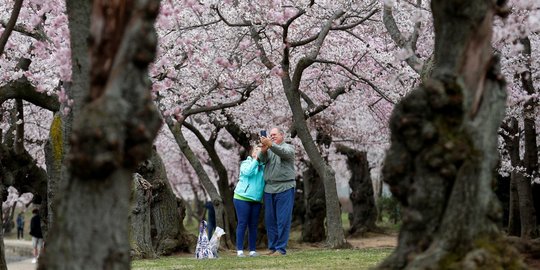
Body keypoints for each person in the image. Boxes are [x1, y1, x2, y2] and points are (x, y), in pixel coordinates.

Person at [259, 127, 295, 256]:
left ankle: (281, 249)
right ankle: (272, 247)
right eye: (270, 135)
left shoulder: (289, 148)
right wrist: (263, 151)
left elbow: (283, 153)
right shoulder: (269, 149)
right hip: (269, 189)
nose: (272, 136)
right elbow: (261, 160)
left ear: (282, 135)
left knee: (283, 220)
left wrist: (271, 144)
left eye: (274, 134)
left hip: (285, 188)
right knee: (270, 220)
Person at [233, 144, 265, 258]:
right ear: (252, 153)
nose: (259, 151)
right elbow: (248, 172)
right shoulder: (246, 163)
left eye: (261, 150)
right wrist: (256, 160)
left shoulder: (263, 166)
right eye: (257, 150)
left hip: (256, 200)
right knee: (242, 223)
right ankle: (240, 251)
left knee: (253, 225)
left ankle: (252, 250)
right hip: (242, 198)